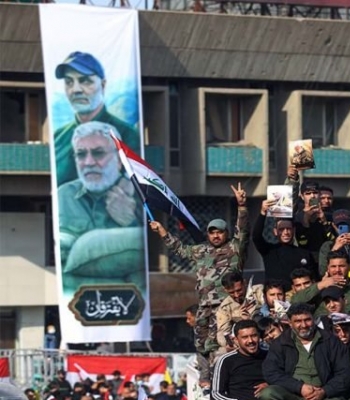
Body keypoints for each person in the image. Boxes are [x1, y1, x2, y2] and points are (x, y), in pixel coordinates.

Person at [149, 182, 249, 358]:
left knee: (222, 343)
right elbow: (179, 248)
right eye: (212, 232)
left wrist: (241, 206)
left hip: (226, 306)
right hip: (204, 305)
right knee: (201, 344)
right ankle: (207, 372)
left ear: (226, 233)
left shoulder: (234, 248)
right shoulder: (200, 250)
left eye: (219, 232)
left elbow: (243, 229)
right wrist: (162, 231)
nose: (216, 235)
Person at [58, 122, 142, 274]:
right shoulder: (64, 195)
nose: (89, 163)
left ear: (119, 160)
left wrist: (131, 221)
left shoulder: (141, 195)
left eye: (98, 153)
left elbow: (161, 247)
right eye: (81, 154)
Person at [53, 51, 139, 186]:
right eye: (69, 82)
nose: (75, 89)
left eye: (85, 81)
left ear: (103, 85)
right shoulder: (58, 138)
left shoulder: (127, 135)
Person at [261, 303, 350, 400]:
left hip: (324, 395)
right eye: (298, 321)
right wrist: (299, 387)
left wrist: (324, 391)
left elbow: (346, 373)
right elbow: (271, 372)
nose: (304, 325)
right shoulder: (281, 343)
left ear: (313, 319)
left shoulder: (330, 341)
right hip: (292, 394)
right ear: (290, 323)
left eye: (307, 320)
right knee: (268, 393)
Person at [291, 250, 350, 317]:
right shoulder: (319, 289)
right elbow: (295, 301)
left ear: (349, 267)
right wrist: (322, 284)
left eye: (341, 266)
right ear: (328, 268)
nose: (337, 270)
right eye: (333, 266)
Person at [252, 199, 317, 290]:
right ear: (275, 231)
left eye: (288, 229)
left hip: (298, 295)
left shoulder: (304, 253)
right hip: (275, 295)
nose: (285, 232)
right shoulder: (268, 251)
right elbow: (256, 236)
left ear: (293, 230)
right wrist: (263, 213)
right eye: (281, 229)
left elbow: (313, 279)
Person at [212, 320, 268, 400]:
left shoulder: (270, 356)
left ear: (259, 336)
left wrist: (270, 385)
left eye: (254, 336)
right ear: (236, 340)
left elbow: (284, 379)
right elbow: (215, 394)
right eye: (245, 337)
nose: (250, 341)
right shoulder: (226, 361)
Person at [215, 272, 264, 350]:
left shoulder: (258, 291)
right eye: (231, 292)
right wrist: (230, 343)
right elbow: (222, 332)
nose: (236, 295)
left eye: (239, 290)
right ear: (225, 290)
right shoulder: (225, 307)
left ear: (244, 283)